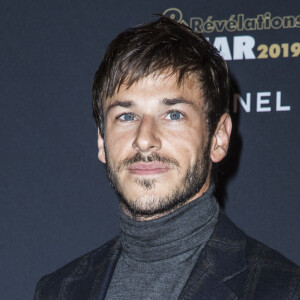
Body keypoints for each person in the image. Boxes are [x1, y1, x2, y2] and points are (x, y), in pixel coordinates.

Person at [34, 16, 299, 300]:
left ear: (219, 138)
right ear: (102, 141)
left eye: (173, 114)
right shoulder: (58, 290)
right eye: (126, 115)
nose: (145, 138)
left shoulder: (282, 289)